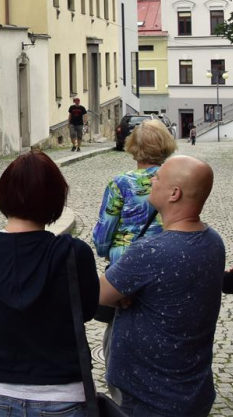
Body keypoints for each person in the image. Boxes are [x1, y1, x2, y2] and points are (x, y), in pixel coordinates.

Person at [0, 150, 99, 416]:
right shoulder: (73, 252)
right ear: (56, 199)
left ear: (4, 194)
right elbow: (88, 311)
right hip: (62, 392)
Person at [99, 155, 224, 416]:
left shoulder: (151, 250)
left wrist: (119, 292)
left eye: (158, 178)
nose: (152, 180)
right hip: (192, 389)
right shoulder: (214, 241)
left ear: (174, 193)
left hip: (148, 394)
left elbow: (99, 293)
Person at [91, 119, 175, 401]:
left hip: (126, 273)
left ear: (133, 147)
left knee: (119, 335)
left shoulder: (121, 184)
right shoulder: (177, 182)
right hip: (166, 268)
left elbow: (103, 237)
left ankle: (123, 395)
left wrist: (110, 249)